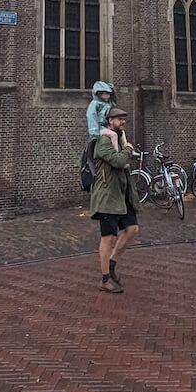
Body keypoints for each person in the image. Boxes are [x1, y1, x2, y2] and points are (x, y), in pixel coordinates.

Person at [89, 107, 138, 292]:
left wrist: (125, 149)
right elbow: (117, 161)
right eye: (118, 119)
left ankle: (111, 265)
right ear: (110, 121)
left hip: (121, 194)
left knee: (132, 229)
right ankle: (105, 279)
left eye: (124, 119)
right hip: (107, 196)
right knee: (107, 238)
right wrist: (128, 149)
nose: (123, 122)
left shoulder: (120, 139)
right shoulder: (104, 141)